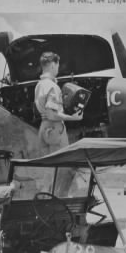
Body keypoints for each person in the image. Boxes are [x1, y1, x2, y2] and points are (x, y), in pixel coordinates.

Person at [34, 52, 82, 196]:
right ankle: (59, 203)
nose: (58, 68)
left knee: (47, 173)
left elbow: (45, 113)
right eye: (58, 65)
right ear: (53, 64)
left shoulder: (39, 85)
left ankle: (42, 202)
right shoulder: (52, 86)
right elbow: (52, 113)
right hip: (55, 129)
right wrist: (74, 118)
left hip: (43, 128)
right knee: (63, 169)